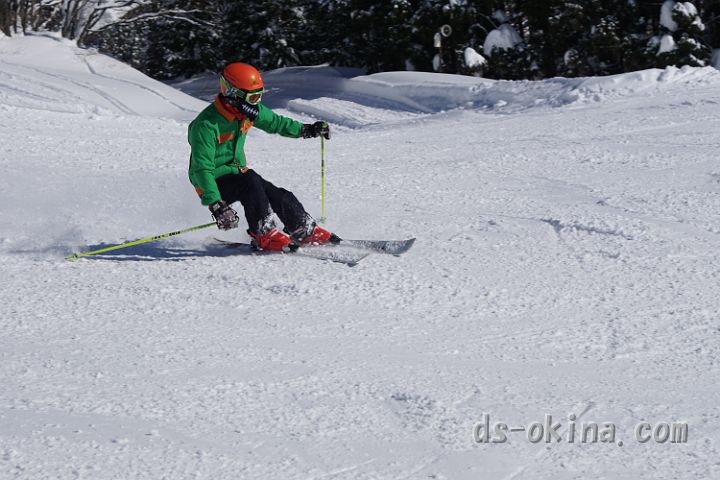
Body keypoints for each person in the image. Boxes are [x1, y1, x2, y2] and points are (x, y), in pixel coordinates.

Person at [187, 62, 335, 252]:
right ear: (233, 94)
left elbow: (276, 123)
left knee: (273, 192)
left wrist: (307, 130)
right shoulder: (206, 125)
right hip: (211, 182)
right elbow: (202, 169)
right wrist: (216, 204)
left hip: (238, 173)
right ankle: (263, 234)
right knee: (251, 181)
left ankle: (303, 229)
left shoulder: (247, 111)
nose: (256, 101)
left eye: (259, 95)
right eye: (253, 97)